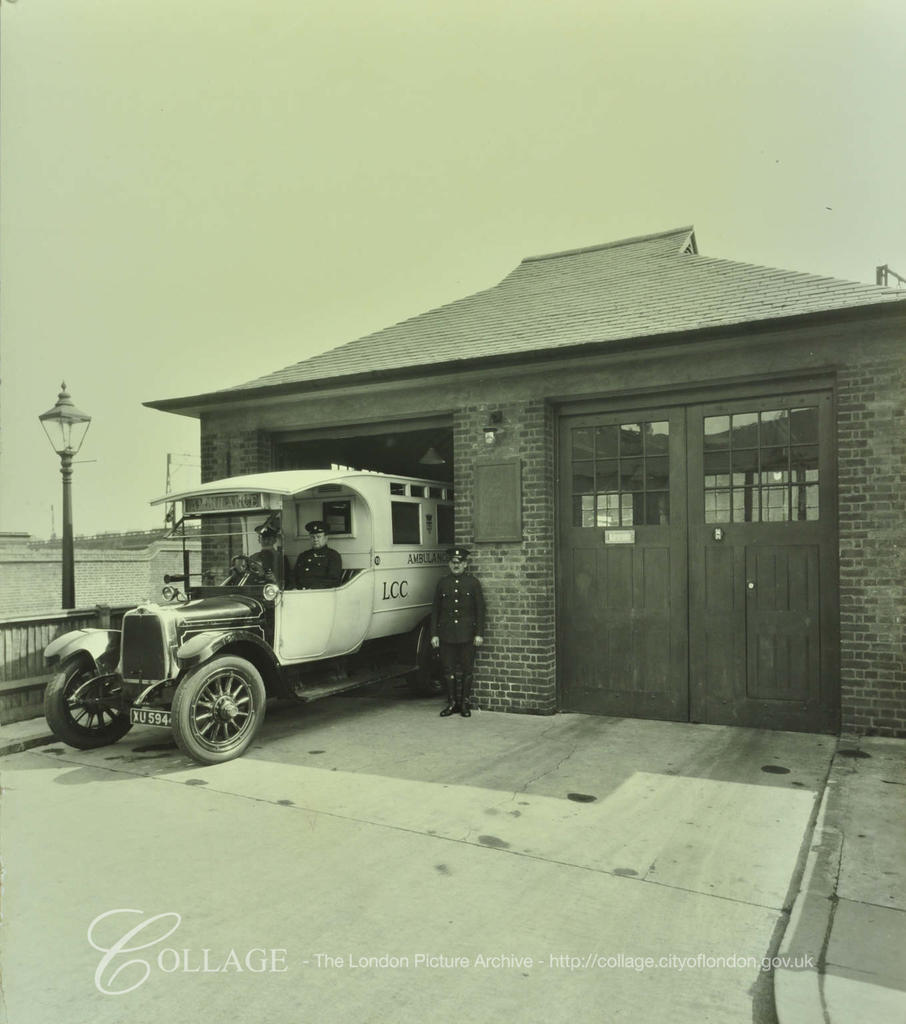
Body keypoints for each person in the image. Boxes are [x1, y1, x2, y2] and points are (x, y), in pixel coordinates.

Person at [431, 546, 485, 718]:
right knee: (448, 670)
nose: (456, 565)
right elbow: (435, 611)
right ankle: (452, 703)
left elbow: (480, 610)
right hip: (446, 635)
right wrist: (434, 634)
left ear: (465, 564)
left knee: (467, 671)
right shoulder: (442, 583)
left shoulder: (473, 583)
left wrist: (479, 633)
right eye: (453, 562)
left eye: (459, 562)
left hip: (467, 635)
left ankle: (464, 704)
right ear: (449, 564)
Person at [293, 520, 343, 589]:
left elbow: (333, 580)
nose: (315, 539)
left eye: (318, 537)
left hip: (320, 594)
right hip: (299, 593)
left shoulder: (333, 556)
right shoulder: (303, 556)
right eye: (313, 537)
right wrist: (294, 588)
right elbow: (293, 577)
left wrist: (313, 589)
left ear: (326, 538)